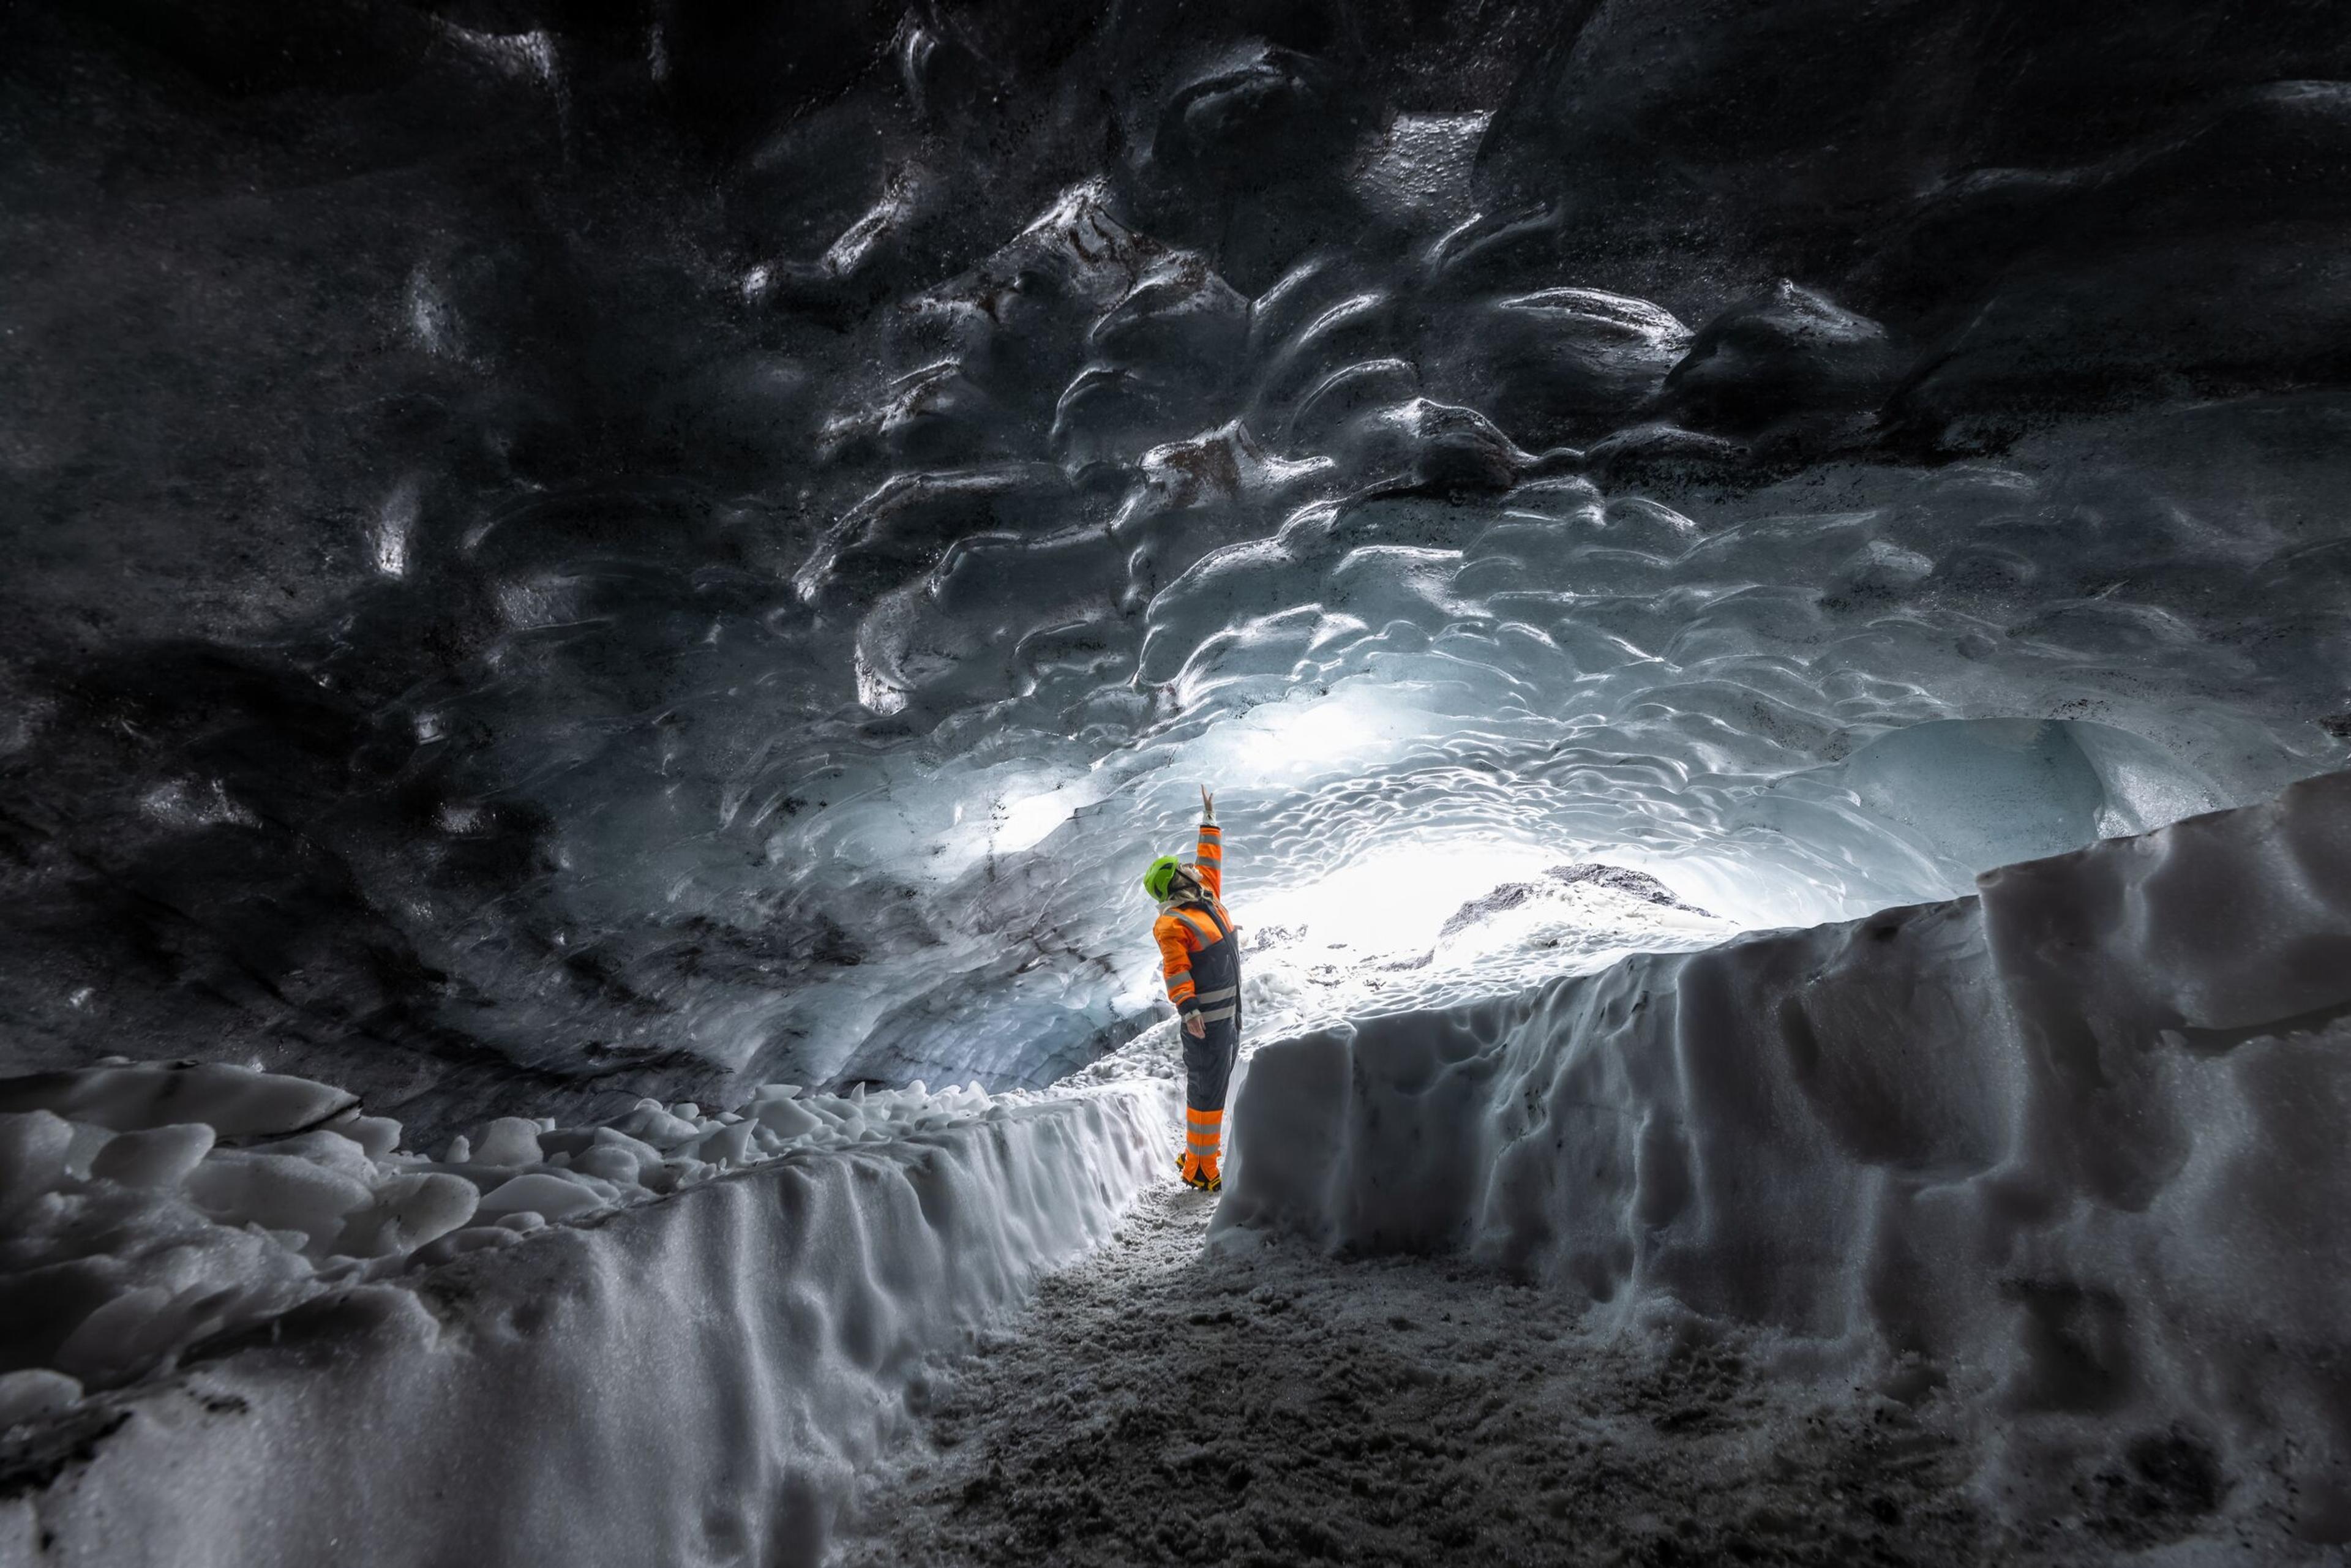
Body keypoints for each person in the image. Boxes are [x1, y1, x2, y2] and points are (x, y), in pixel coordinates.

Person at [1143, 787, 1240, 1191]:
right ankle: (1201, 1168)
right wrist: (1189, 1008)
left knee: (1212, 1086)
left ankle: (1199, 1156)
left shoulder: (1206, 898)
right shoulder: (1173, 923)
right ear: (1177, 879)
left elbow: (1209, 861)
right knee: (1207, 1092)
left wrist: (1209, 818)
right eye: (1182, 866)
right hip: (1207, 1022)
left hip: (1227, 1017)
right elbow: (1176, 968)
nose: (1190, 866)